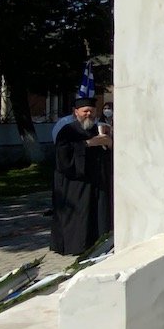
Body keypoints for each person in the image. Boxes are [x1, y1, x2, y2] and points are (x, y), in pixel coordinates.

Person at [51, 98, 113, 255]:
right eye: (85, 111)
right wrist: (88, 143)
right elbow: (63, 159)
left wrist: (109, 143)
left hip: (98, 184)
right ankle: (77, 248)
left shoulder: (100, 129)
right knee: (79, 220)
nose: (88, 114)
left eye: (91, 111)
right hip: (75, 186)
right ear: (76, 112)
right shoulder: (67, 131)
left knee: (99, 217)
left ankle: (101, 246)